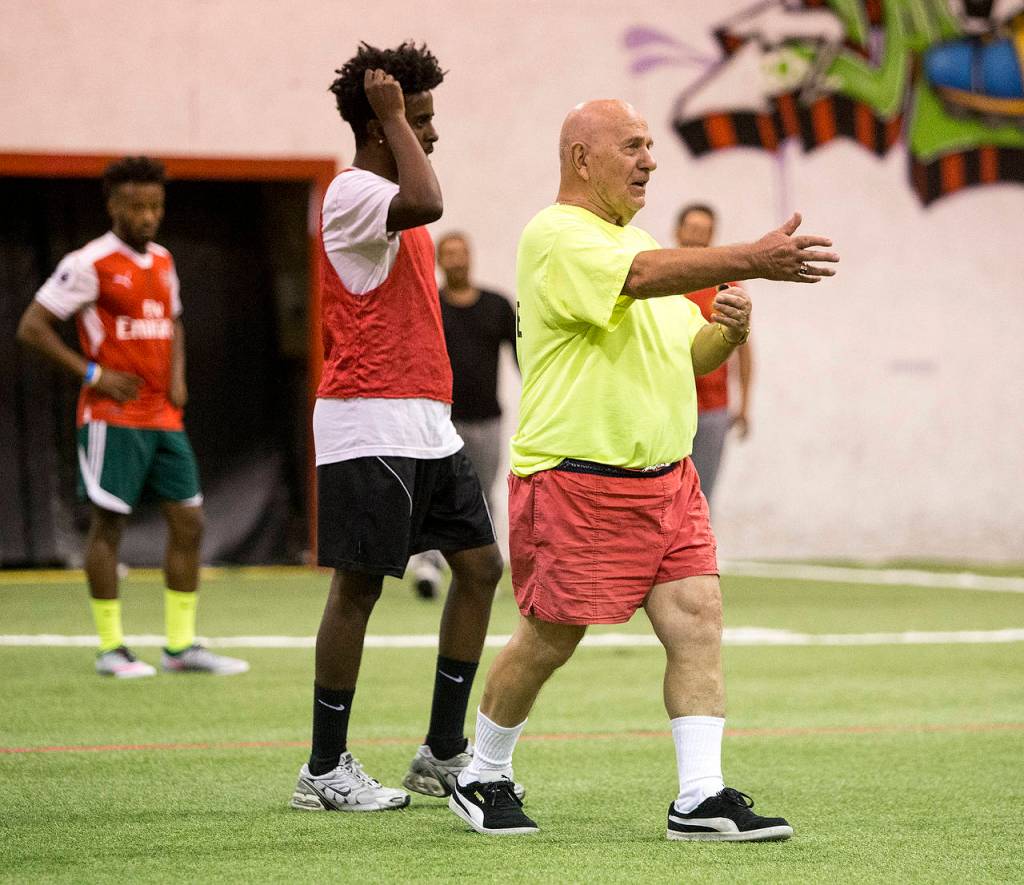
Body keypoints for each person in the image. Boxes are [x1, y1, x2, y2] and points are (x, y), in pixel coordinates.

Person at [447, 99, 838, 838]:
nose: (650, 160)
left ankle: (699, 795)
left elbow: (690, 355)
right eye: (632, 146)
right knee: (550, 637)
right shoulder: (558, 235)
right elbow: (639, 277)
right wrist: (752, 257)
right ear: (581, 160)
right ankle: (482, 774)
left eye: (651, 147)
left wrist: (728, 331)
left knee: (698, 622)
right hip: (576, 480)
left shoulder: (642, 248)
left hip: (667, 481)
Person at [289, 42, 509, 814]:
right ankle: (323, 770)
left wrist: (397, 123)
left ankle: (443, 751)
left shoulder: (389, 193)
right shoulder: (353, 192)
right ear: (383, 126)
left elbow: (420, 199)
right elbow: (428, 199)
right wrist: (387, 115)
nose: (432, 133)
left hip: (425, 425)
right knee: (360, 589)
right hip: (367, 420)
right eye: (420, 119)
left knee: (480, 567)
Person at [15, 156, 248, 679]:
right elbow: (32, 327)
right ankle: (110, 648)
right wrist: (93, 374)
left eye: (155, 206)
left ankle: (181, 646)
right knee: (109, 525)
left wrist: (178, 376)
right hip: (111, 415)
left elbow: (175, 320)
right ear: (113, 205)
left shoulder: (164, 260)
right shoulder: (89, 262)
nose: (147, 216)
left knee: (190, 521)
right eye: (137, 206)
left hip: (162, 416)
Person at [407, 232, 518, 599]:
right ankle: (428, 563)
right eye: (448, 254)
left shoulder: (497, 306)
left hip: (486, 419)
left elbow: (524, 359)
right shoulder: (429, 306)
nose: (456, 260)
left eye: (461, 253)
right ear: (439, 261)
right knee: (434, 493)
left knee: (483, 494)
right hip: (439, 419)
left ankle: (483, 566)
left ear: (471, 257)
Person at [676, 204, 754, 506]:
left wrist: (744, 402)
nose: (697, 236)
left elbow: (743, 348)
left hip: (713, 409)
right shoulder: (662, 283)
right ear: (678, 231)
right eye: (691, 228)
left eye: (704, 231)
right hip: (670, 404)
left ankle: (697, 553)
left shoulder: (725, 284)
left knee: (701, 496)